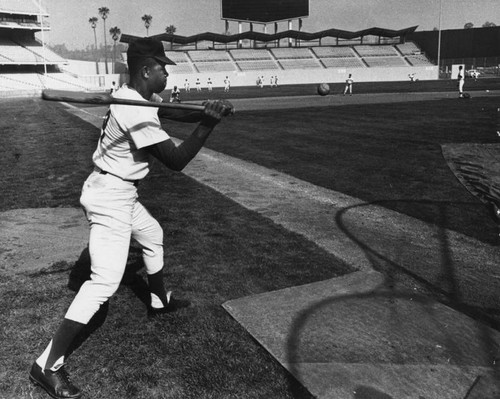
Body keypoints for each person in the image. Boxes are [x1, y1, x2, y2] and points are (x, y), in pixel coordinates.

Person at [29, 37, 233, 399]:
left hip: (117, 190)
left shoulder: (135, 97)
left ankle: (158, 301)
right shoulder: (135, 109)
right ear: (146, 70)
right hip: (111, 198)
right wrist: (208, 124)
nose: (167, 72)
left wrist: (206, 111)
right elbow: (176, 159)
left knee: (152, 235)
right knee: (104, 283)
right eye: (163, 67)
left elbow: (168, 112)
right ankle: (46, 365)